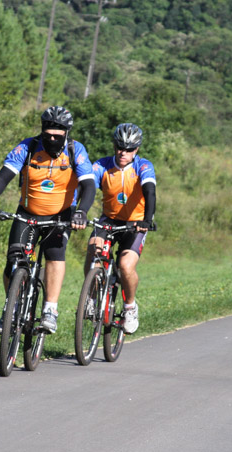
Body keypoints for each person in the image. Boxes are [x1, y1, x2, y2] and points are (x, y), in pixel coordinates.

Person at [0, 106, 96, 334]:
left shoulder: (76, 150)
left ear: (66, 133)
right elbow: (4, 175)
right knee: (13, 261)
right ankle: (11, 307)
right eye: (47, 135)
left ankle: (50, 309)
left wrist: (81, 212)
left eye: (57, 136)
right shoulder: (28, 147)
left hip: (61, 215)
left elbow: (89, 185)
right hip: (27, 213)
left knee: (54, 255)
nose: (51, 140)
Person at [83, 123, 156, 334]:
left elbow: (149, 191)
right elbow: (87, 187)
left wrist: (147, 220)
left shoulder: (143, 166)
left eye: (129, 149)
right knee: (93, 248)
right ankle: (91, 297)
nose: (123, 152)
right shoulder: (102, 165)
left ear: (137, 149)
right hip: (110, 219)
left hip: (136, 222)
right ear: (114, 146)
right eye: (119, 147)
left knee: (125, 265)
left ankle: (130, 307)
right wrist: (79, 211)